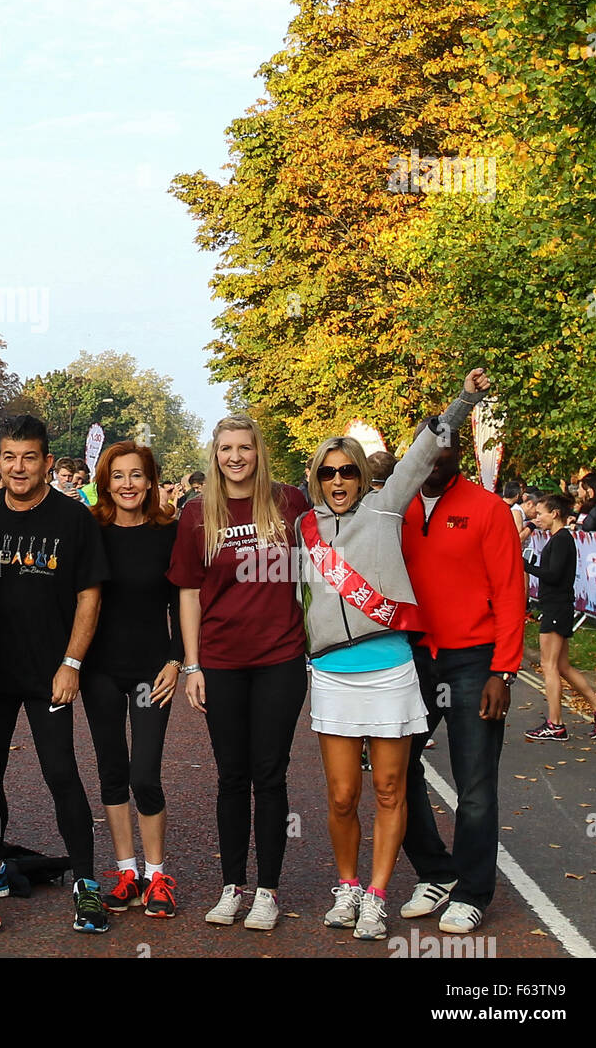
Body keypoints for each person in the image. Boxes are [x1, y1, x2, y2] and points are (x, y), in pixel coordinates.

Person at [299, 369, 491, 942]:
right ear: (316, 477)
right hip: (331, 675)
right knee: (340, 795)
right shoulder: (304, 528)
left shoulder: (385, 509)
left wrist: (464, 401)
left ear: (362, 474)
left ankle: (377, 895)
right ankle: (348, 886)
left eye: (348, 470)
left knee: (389, 790)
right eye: (328, 472)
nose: (339, 480)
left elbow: (419, 452)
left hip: (388, 672)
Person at [0, 414, 111, 934]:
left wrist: (71, 663)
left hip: (51, 672)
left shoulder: (73, 518)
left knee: (61, 774)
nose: (19, 467)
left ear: (48, 462)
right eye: (9, 456)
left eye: (30, 457)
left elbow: (89, 596)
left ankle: (87, 883)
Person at [168, 413, 308, 931]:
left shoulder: (290, 502)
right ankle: (232, 886)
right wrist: (192, 664)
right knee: (232, 776)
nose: (235, 457)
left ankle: (267, 891)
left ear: (258, 451)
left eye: (244, 447)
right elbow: (186, 592)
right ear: (215, 453)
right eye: (226, 448)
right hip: (221, 661)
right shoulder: (198, 513)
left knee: (269, 775)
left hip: (280, 659)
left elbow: (320, 568)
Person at [399, 410, 527, 935]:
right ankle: (436, 872)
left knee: (474, 784)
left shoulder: (489, 509)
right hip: (412, 658)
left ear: (457, 454)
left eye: (446, 446)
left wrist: (504, 670)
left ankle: (473, 891)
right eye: (428, 446)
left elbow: (511, 591)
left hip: (475, 660)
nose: (436, 455)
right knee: (394, 771)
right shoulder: (396, 506)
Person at [82, 442, 180, 917]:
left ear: (150, 481)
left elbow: (183, 601)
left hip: (151, 670)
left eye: (136, 475)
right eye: (118, 476)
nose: (127, 484)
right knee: (113, 771)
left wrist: (178, 659)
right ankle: (126, 872)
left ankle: (158, 875)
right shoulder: (92, 531)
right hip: (99, 669)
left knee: (146, 775)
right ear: (106, 482)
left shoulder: (169, 533)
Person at [524, 494, 596, 741]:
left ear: (555, 513)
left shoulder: (563, 539)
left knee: (549, 665)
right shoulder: (560, 538)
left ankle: (556, 723)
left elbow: (553, 575)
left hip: (556, 608)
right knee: (561, 666)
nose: (537, 517)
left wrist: (525, 565)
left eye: (541, 513)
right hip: (558, 607)